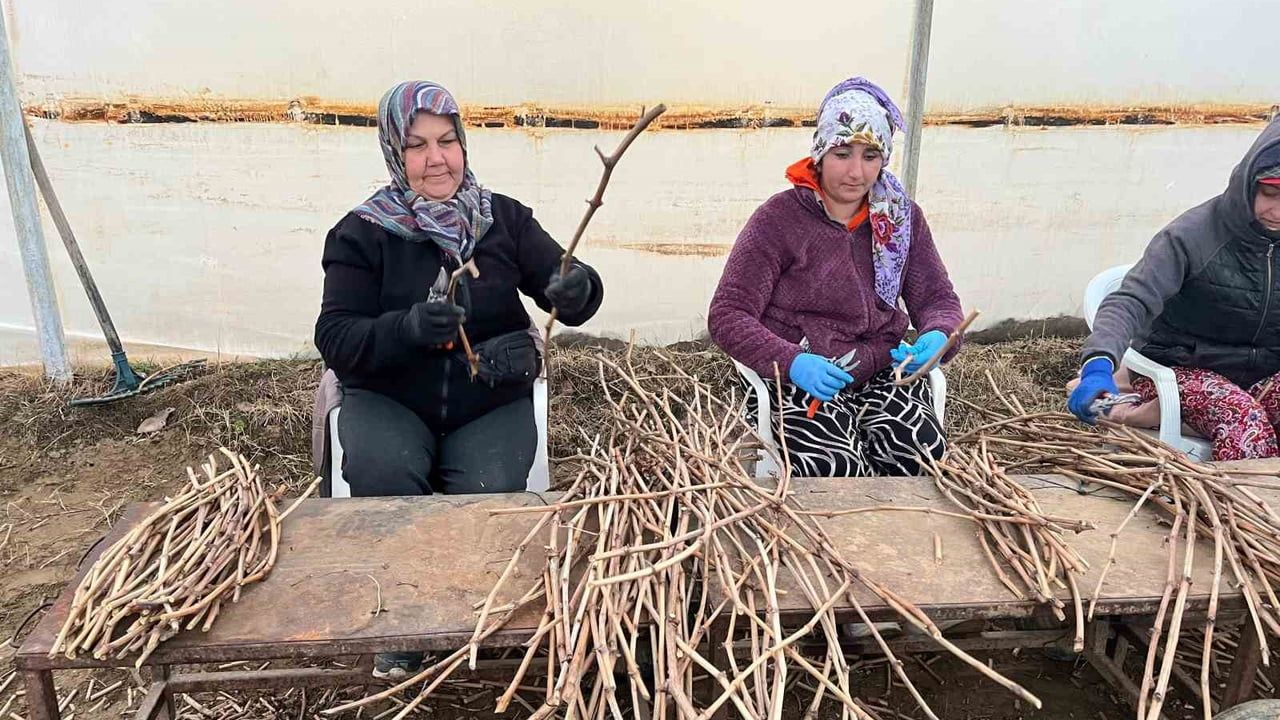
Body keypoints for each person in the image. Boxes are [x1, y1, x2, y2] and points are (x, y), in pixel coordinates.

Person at [314, 81, 603, 677]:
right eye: (417, 146)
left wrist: (580, 289)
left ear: (464, 145)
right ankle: (398, 622)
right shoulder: (361, 233)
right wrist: (409, 328)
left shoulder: (503, 221)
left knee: (490, 487)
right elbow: (336, 337)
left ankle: (469, 613)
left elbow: (568, 285)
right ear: (395, 151)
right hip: (391, 398)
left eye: (447, 141)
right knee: (384, 474)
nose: (436, 158)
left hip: (488, 400)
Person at [707, 77, 965, 478]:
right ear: (821, 152)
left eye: (870, 155)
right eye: (843, 153)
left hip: (883, 369)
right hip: (804, 374)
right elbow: (728, 314)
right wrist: (792, 362)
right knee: (834, 468)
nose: (856, 173)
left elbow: (937, 299)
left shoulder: (900, 218)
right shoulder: (779, 220)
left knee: (920, 456)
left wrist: (939, 335)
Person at [1068, 119, 1280, 461]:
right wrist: (1097, 364)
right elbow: (1129, 301)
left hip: (1264, 372)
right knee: (1243, 420)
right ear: (1248, 184)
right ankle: (1239, 512)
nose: (1277, 212)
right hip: (1182, 367)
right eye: (1270, 194)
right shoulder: (1194, 235)